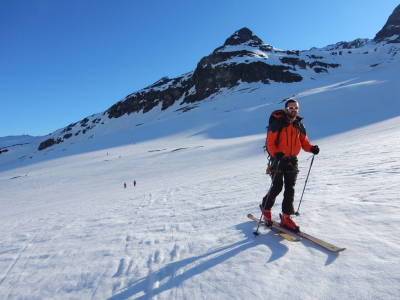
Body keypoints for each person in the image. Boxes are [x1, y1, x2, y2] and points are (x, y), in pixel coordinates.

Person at [261, 99, 319, 232]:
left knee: (290, 189)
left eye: (295, 108)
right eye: (291, 107)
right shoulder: (277, 123)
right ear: (286, 109)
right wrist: (276, 154)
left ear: (298, 109)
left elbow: (304, 142)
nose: (293, 110)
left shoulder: (299, 125)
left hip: (292, 161)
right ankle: (266, 209)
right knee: (276, 187)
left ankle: (286, 217)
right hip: (278, 160)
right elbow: (270, 143)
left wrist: (312, 148)